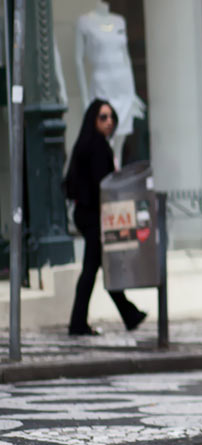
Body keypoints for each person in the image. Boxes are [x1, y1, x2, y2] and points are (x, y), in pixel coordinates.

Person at [63, 99, 148, 336]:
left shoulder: (87, 144)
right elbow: (103, 186)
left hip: (89, 215)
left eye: (111, 117)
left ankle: (127, 314)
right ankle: (80, 322)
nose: (109, 122)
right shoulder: (97, 147)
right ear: (93, 120)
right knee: (92, 268)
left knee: (99, 266)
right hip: (94, 216)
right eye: (103, 117)